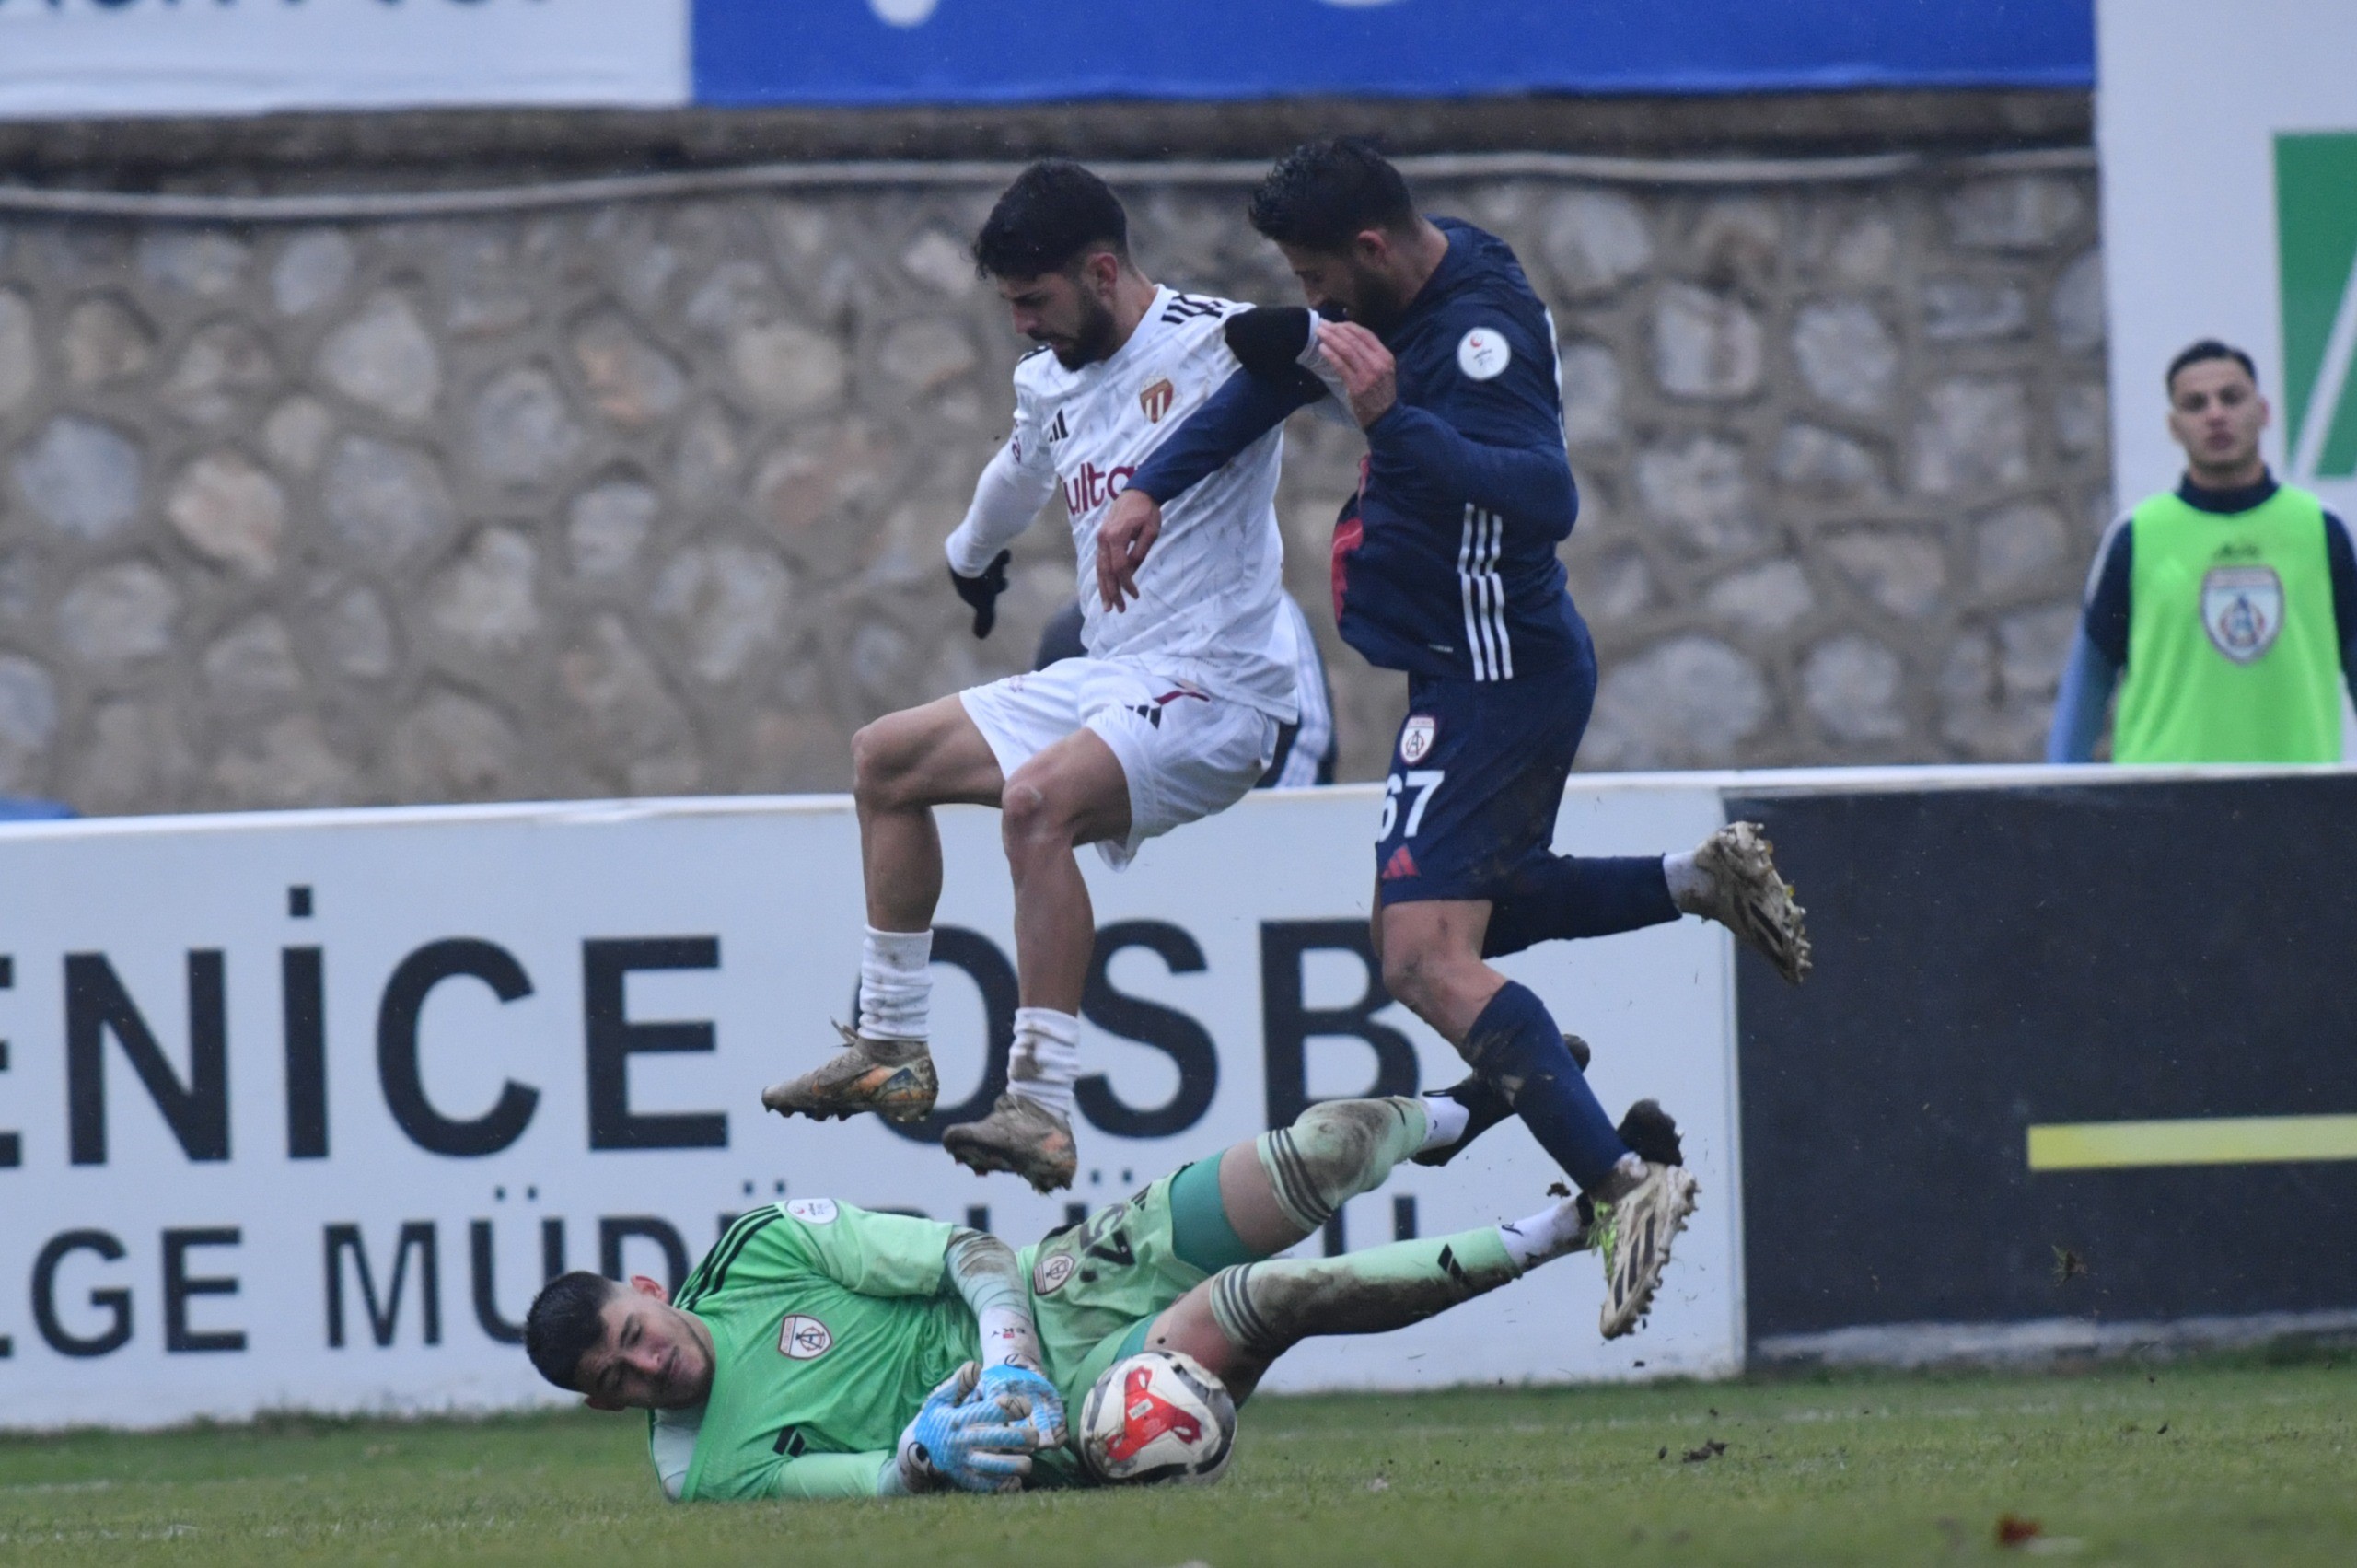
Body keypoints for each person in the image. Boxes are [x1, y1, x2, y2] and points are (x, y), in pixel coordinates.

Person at [1093, 139, 1809, 1337]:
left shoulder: (1480, 335)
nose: (1314, 303)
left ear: (1369, 250)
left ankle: (1626, 1186)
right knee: (1480, 906)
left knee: (1423, 956)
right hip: (1472, 666)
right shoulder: (1407, 279)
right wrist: (1150, 483)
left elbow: (1547, 495)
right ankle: (1700, 878)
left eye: (1319, 278)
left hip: (1494, 672)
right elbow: (1278, 380)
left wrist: (1390, 420)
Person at [760, 161, 1301, 1195]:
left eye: (1034, 301)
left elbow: (1337, 359)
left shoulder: (1217, 340)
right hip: (1112, 677)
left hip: (1219, 689)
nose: (1020, 325)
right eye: (1009, 303)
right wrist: (971, 554)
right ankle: (892, 1045)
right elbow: (1019, 470)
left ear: (1103, 271)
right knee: (886, 759)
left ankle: (1042, 1105)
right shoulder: (1049, 376)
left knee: (1034, 802)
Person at [522, 1086, 1684, 1501]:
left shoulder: (764, 1244)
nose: (645, 1363)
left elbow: (967, 1254)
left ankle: (1456, 1110)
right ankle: (1564, 1225)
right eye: (615, 1378)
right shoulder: (696, 1469)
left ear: (648, 1288)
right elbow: (864, 1482)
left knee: (1312, 1154)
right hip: (1064, 1418)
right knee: (1266, 1294)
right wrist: (922, 1454)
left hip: (1062, 1278)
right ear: (602, 1406)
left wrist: (1009, 1339)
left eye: (633, 1334)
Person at [2048, 339, 2357, 763]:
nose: (2215, 414)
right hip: (2162, 808)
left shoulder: (2321, 530)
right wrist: (2059, 797)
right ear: (2175, 427)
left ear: (2263, 412)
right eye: (2195, 404)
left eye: (2231, 398)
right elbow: (2090, 680)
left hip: (2296, 804)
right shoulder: (2136, 536)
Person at [1034, 591, 1338, 787]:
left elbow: (1309, 736)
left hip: (1252, 838)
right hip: (1127, 847)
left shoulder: (1261, 609)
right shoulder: (1071, 633)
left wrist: (1266, 828)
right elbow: (1046, 749)